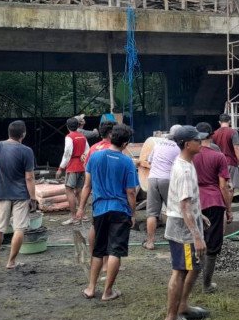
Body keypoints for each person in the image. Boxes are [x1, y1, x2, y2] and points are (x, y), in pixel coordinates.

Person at [81, 124, 138, 301]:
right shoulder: (127, 162)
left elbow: (87, 185)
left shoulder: (95, 156)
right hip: (119, 210)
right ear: (125, 143)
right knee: (115, 251)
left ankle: (91, 288)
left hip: (99, 209)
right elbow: (131, 191)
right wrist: (133, 213)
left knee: (98, 250)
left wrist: (81, 208)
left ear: (111, 137)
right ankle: (107, 292)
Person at [164, 126, 210, 320]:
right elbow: (184, 206)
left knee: (194, 267)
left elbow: (188, 203)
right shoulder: (183, 170)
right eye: (197, 140)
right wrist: (197, 236)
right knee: (180, 271)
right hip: (183, 228)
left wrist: (200, 215)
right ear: (187, 144)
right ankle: (172, 319)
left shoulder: (188, 163)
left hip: (188, 221)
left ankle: (183, 306)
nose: (201, 143)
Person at [0, 120, 36, 270]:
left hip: (1, 193)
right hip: (21, 195)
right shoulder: (26, 151)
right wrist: (33, 198)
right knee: (19, 228)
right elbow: (29, 178)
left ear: (9, 133)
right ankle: (11, 262)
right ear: (23, 134)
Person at [193, 122, 231, 293]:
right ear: (211, 135)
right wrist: (229, 209)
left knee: (195, 240)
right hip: (214, 202)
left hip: (194, 201)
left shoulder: (189, 155)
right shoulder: (218, 156)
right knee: (212, 244)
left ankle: (191, 280)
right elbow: (223, 186)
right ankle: (206, 284)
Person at [143, 125, 181, 250]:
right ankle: (173, 239)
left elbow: (149, 161)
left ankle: (150, 242)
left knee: (152, 213)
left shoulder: (158, 144)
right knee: (172, 210)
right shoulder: (178, 148)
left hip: (153, 178)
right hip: (167, 179)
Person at [55, 117, 89, 226]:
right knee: (79, 190)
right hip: (82, 166)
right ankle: (83, 215)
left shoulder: (69, 137)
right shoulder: (83, 136)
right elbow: (87, 151)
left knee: (69, 190)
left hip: (73, 166)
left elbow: (67, 154)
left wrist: (61, 168)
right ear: (78, 126)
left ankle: (74, 217)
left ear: (67, 126)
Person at [212, 113, 239, 192]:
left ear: (219, 122)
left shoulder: (214, 134)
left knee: (221, 187)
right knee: (231, 188)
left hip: (218, 164)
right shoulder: (233, 132)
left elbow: (213, 150)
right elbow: (237, 148)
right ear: (229, 121)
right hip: (230, 163)